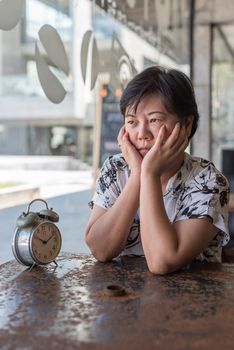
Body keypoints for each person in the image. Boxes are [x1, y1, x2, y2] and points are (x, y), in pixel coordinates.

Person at [85, 66, 230, 275]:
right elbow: (100, 249)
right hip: (120, 299)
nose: (142, 133)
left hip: (189, 302)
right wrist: (137, 175)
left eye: (154, 120)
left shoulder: (208, 181)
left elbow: (162, 261)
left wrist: (149, 174)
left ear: (187, 124)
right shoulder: (115, 169)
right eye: (132, 122)